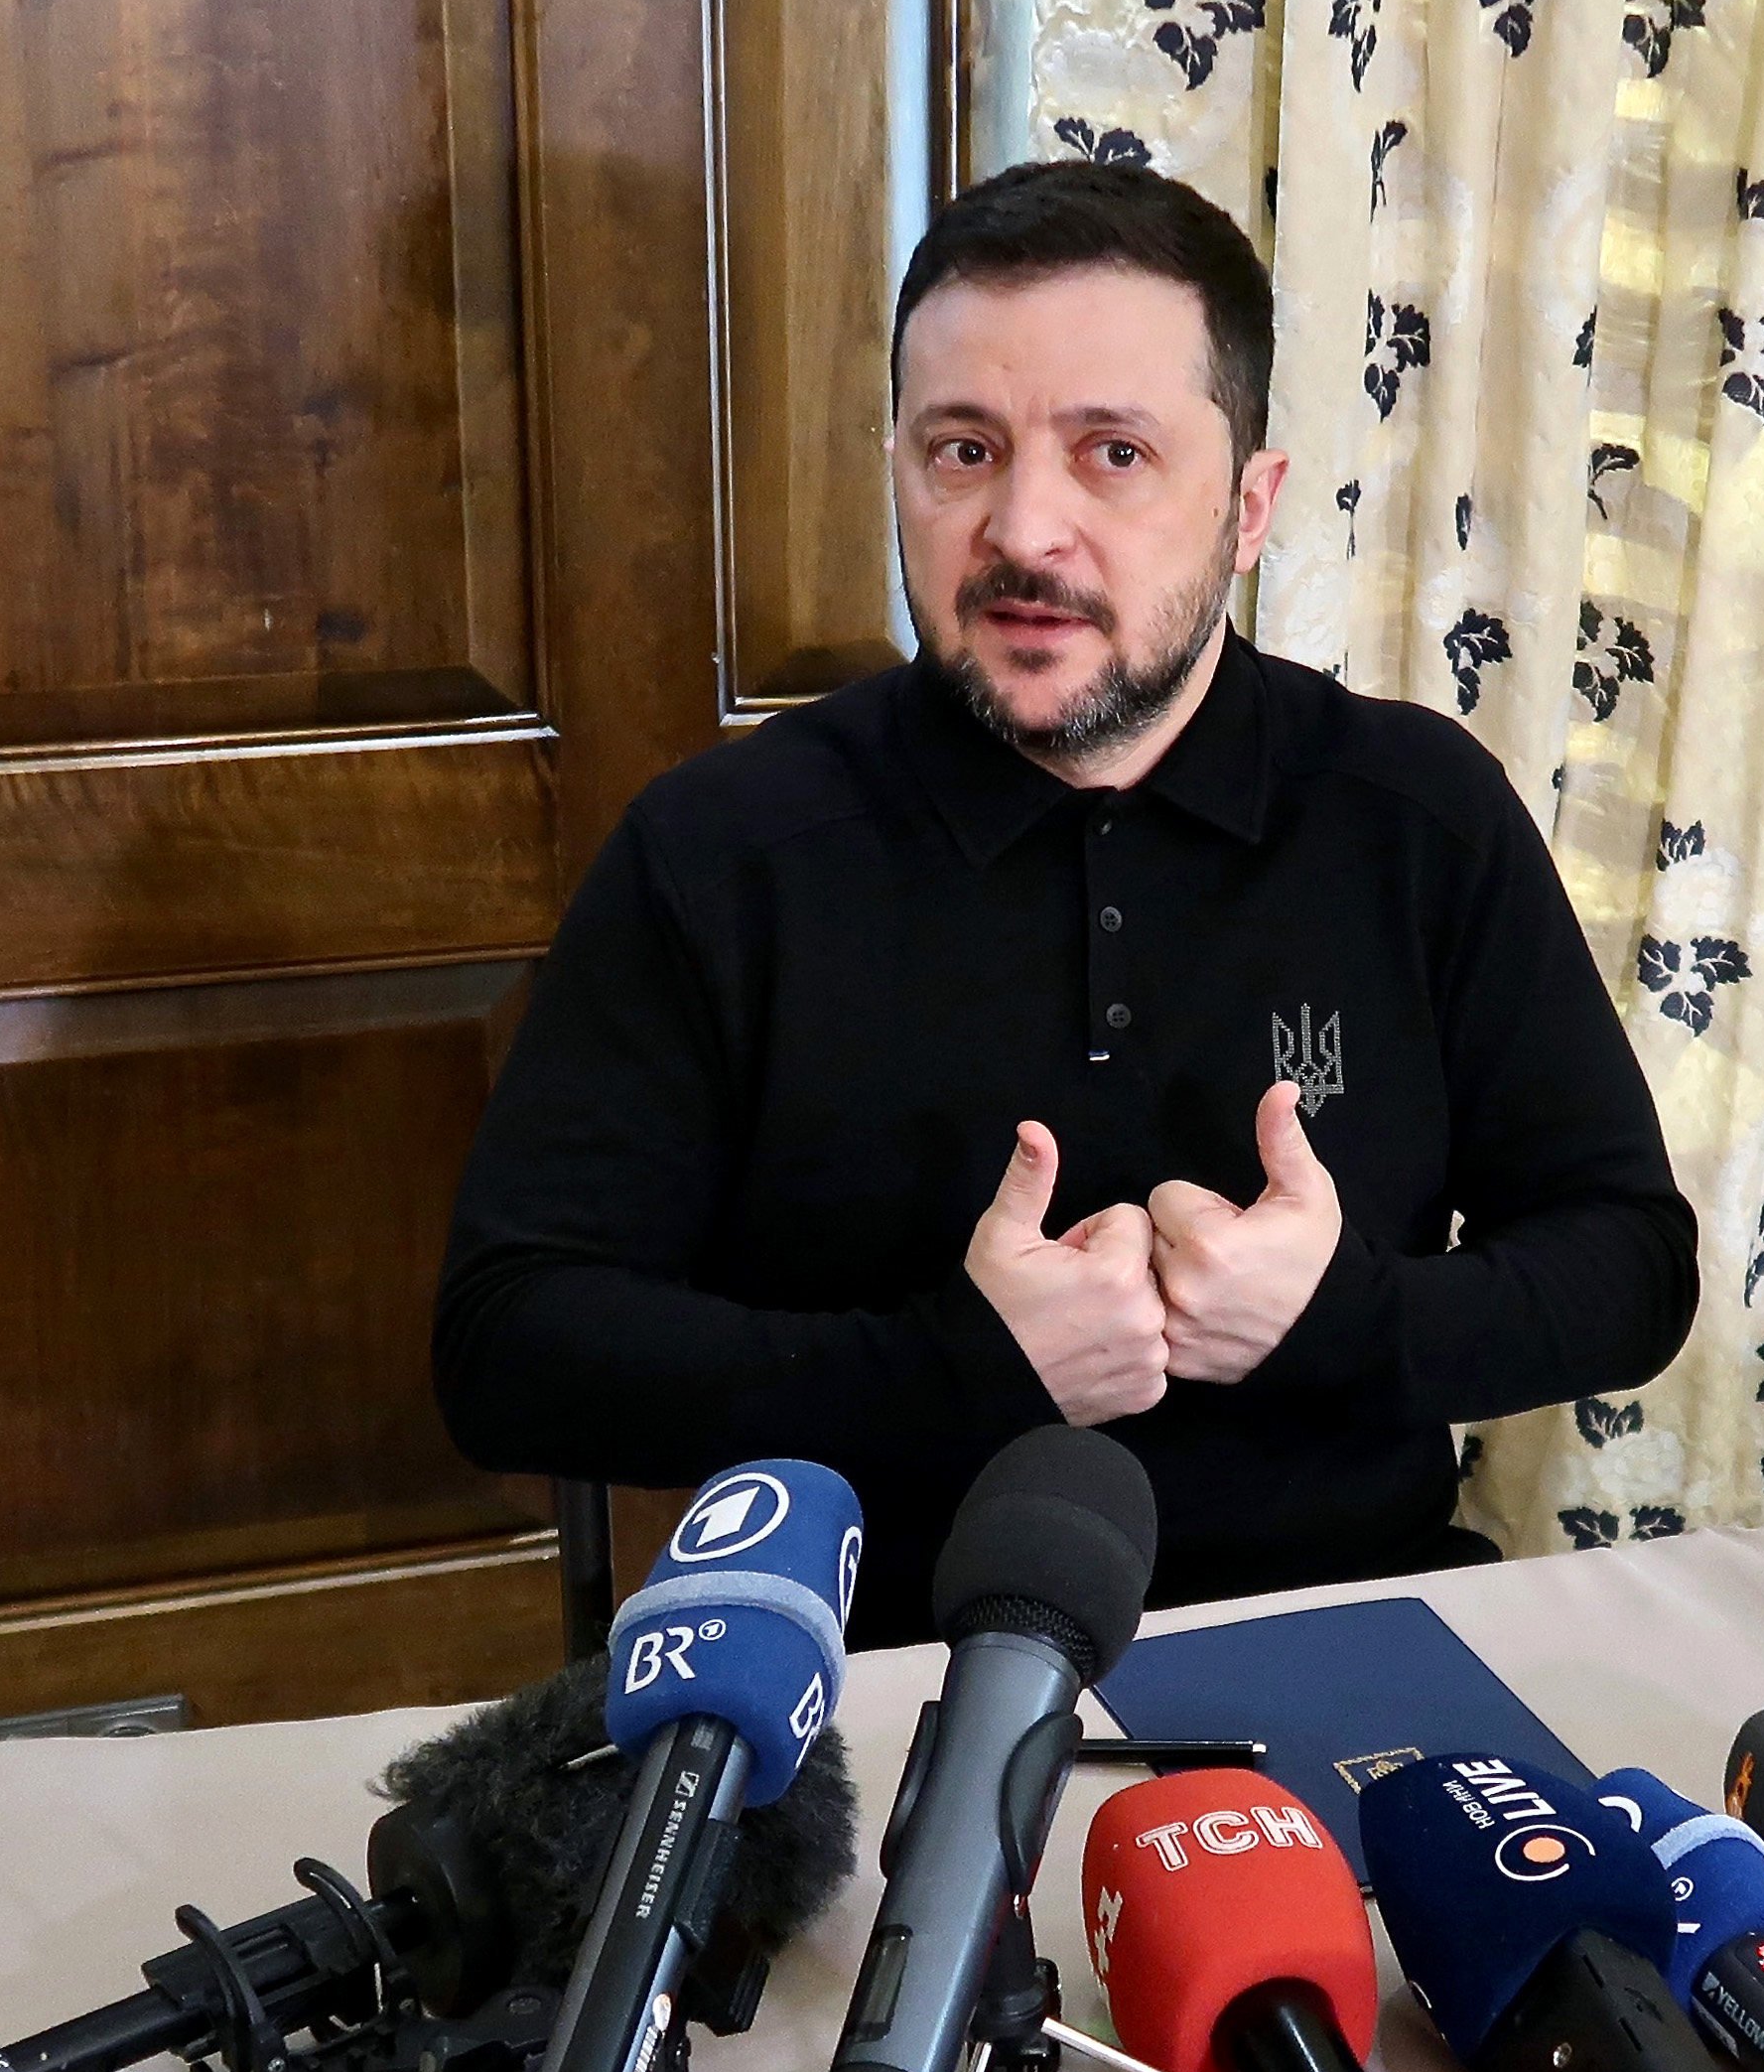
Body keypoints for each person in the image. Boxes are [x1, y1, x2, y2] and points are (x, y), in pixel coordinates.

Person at [434, 161, 1696, 1646]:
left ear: (1248, 505)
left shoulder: (1417, 815)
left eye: (1112, 455)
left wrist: (1336, 1320)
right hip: (861, 1674)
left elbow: (1628, 1265)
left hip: (1344, 1633)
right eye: (962, 451)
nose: (1025, 532)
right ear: (895, 467)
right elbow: (509, 1346)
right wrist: (953, 1366)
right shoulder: (723, 851)